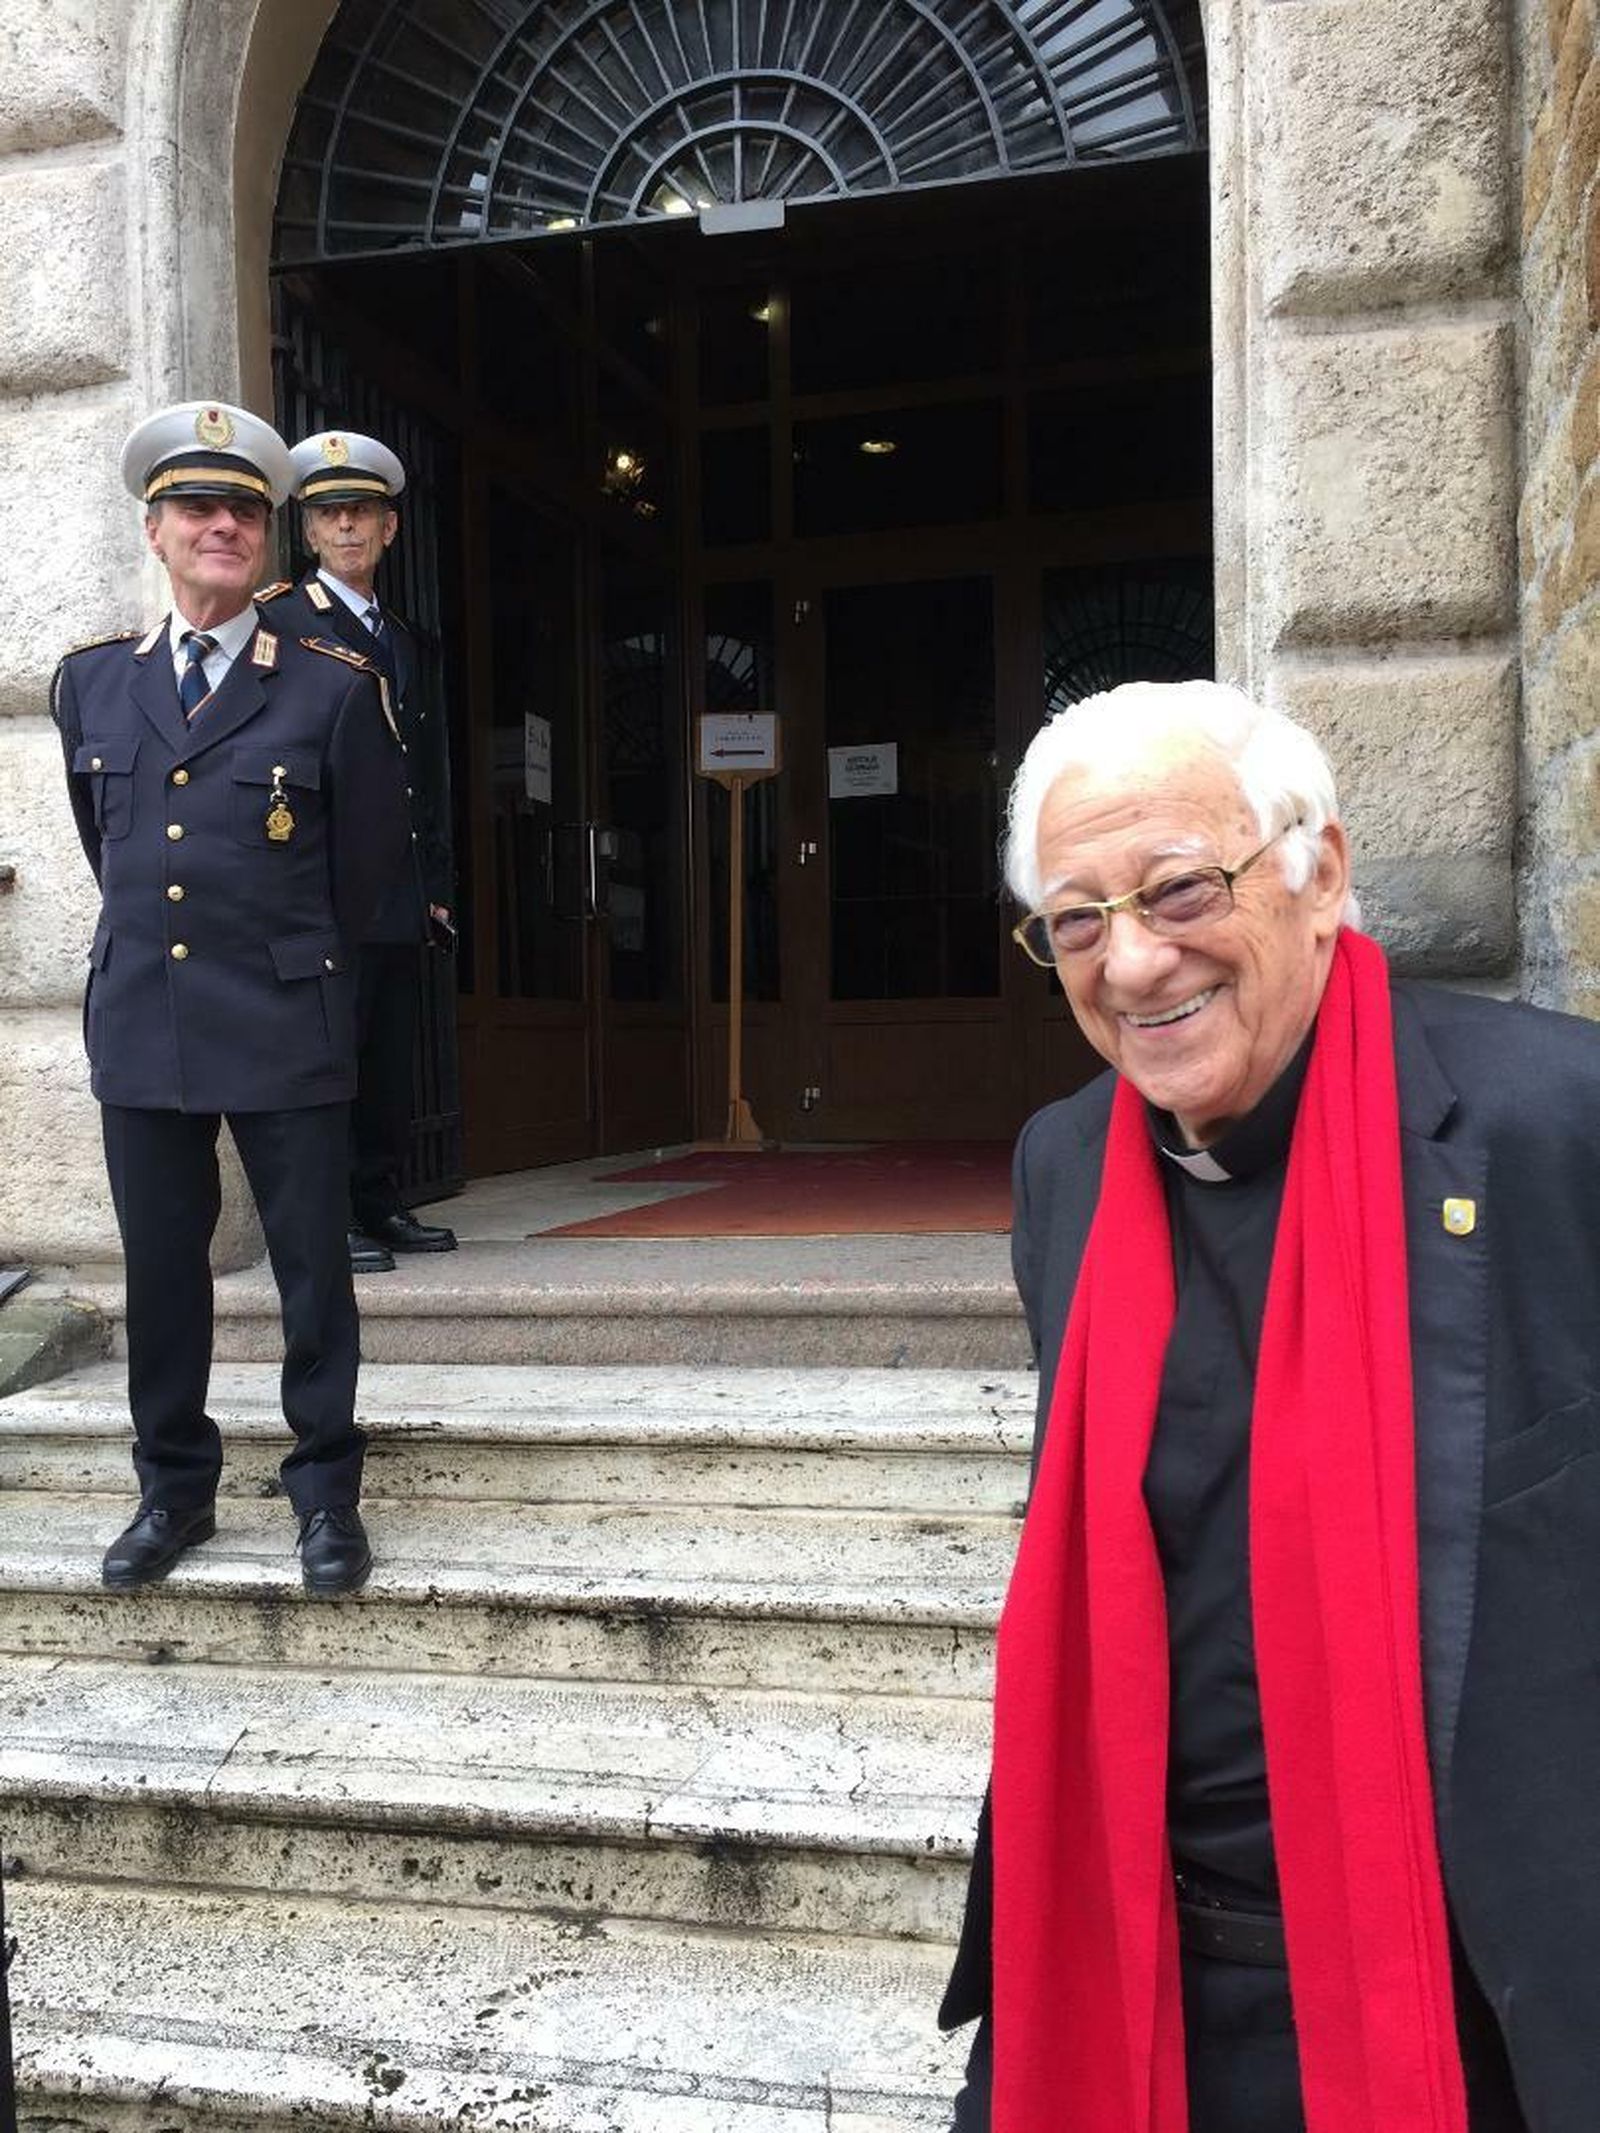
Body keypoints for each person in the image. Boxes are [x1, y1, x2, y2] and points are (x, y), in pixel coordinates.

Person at [941, 680, 1600, 2133]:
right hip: (1136, 1982)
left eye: (1179, 889)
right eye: (1076, 920)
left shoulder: (1559, 1126)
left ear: (1322, 871)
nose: (1133, 960)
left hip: (1471, 1999)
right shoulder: (1063, 1165)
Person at [53, 401, 409, 1597]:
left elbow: (360, 877)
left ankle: (324, 1495)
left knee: (314, 1270)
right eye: (198, 509)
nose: (224, 527)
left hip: (281, 1015)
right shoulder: (92, 684)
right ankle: (174, 1490)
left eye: (245, 511)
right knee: (162, 1273)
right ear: (154, 531)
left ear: (267, 536)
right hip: (144, 1018)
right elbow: (111, 853)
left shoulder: (331, 685)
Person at [258, 431, 456, 1274]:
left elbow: (425, 770)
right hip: (321, 883)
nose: (347, 529)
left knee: (385, 1059)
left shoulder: (407, 638)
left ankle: (379, 1199)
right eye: (331, 514)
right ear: (308, 531)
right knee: (322, 1057)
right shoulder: (279, 620)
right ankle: (327, 1216)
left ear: (390, 530)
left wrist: (435, 884)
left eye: (363, 514)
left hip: (396, 889)